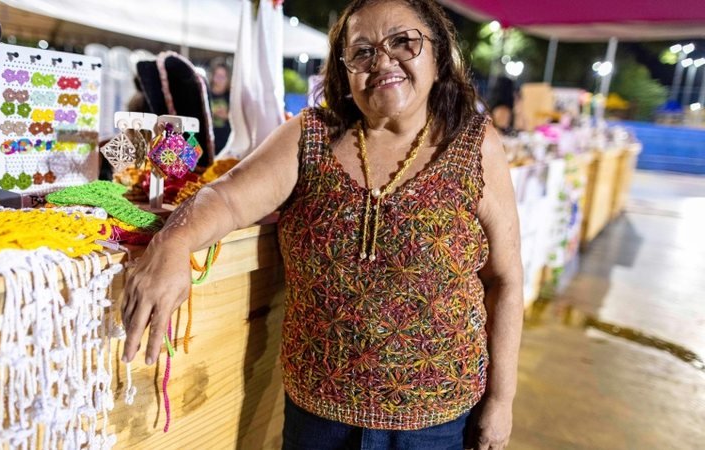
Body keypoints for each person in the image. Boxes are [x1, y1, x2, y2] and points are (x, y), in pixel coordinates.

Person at [121, 0, 523, 449]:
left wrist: (502, 399)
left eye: (403, 43)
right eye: (362, 51)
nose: (383, 61)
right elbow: (227, 198)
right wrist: (173, 243)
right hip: (318, 419)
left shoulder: (475, 145)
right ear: (344, 70)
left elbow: (505, 279)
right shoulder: (310, 136)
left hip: (437, 421)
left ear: (438, 55)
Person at [209, 61, 232, 153]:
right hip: (210, 142)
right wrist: (212, 113)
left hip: (226, 143)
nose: (220, 80)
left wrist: (226, 116)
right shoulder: (206, 94)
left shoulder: (230, 96)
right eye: (218, 76)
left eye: (223, 77)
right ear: (213, 76)